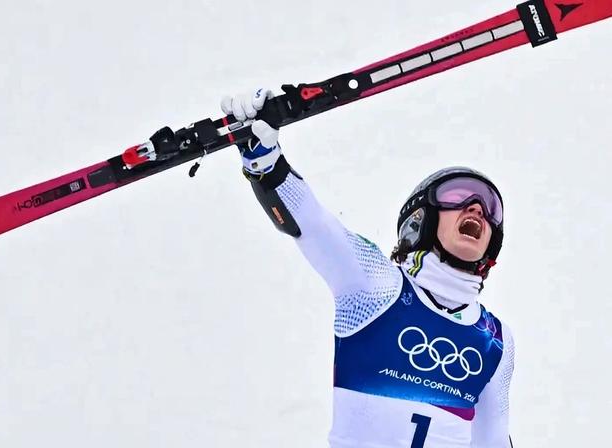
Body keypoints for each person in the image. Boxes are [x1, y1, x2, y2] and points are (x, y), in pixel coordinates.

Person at [221, 88, 515, 448]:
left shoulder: (495, 341)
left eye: (489, 209)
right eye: (458, 196)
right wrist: (263, 159)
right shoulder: (377, 287)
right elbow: (313, 225)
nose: (476, 210)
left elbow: (493, 442)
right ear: (419, 219)